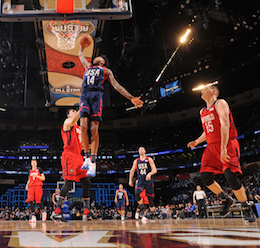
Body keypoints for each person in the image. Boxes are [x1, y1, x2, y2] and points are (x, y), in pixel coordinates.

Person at [187, 85, 255, 222]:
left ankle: (246, 207)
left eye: (205, 88)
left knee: (230, 175)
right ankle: (226, 199)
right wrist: (197, 141)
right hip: (211, 146)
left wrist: (223, 148)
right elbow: (207, 131)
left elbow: (225, 125)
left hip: (227, 142)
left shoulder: (220, 103)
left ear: (213, 91)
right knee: (205, 176)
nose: (202, 90)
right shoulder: (202, 111)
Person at [78, 47, 144, 177]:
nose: (97, 57)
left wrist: (131, 98)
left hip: (96, 96)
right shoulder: (88, 67)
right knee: (83, 126)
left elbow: (117, 86)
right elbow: (80, 56)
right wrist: (81, 47)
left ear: (102, 62)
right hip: (85, 96)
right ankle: (86, 157)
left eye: (100, 57)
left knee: (94, 129)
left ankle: (93, 161)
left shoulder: (105, 71)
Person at [51, 109, 92, 222]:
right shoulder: (67, 122)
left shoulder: (80, 129)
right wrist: (81, 109)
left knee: (86, 182)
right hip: (69, 155)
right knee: (69, 183)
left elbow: (82, 146)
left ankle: (87, 211)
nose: (75, 112)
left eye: (75, 110)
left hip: (79, 157)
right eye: (72, 111)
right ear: (68, 114)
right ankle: (57, 211)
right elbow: (73, 120)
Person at [129, 147, 157, 222]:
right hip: (140, 180)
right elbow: (132, 171)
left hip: (148, 180)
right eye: (139, 149)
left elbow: (155, 170)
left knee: (150, 199)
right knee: (136, 193)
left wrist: (150, 174)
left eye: (142, 149)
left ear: (145, 151)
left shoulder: (149, 159)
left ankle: (152, 214)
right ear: (138, 152)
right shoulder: (136, 161)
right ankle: (141, 206)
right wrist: (130, 180)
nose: (141, 150)